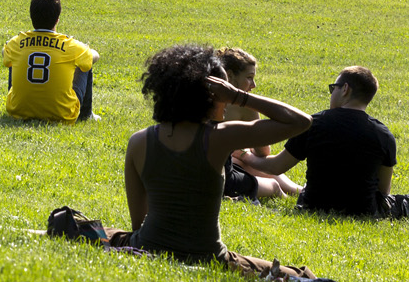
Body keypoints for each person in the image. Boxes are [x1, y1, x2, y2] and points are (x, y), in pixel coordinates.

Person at [114, 44, 316, 277]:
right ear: (210, 96)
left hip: (146, 245)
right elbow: (302, 122)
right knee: (300, 275)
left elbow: (137, 224)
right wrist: (239, 96)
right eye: (223, 92)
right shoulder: (218, 137)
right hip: (208, 256)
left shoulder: (139, 141)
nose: (227, 100)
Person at [240, 65, 408, 218]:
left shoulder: (314, 123)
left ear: (345, 89)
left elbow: (276, 167)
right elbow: (384, 191)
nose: (331, 93)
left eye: (333, 88)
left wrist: (244, 155)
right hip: (363, 210)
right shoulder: (384, 135)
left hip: (313, 205)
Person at [216, 47, 302, 201]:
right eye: (249, 77)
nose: (253, 84)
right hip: (221, 181)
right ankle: (293, 198)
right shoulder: (243, 106)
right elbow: (263, 152)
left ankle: (299, 190)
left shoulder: (201, 97)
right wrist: (245, 153)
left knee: (241, 160)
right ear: (229, 75)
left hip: (197, 169)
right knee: (273, 185)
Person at [2, 0, 99, 123]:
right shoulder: (70, 46)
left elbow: (4, 52)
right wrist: (86, 49)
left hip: (18, 112)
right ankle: (86, 115)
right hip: (61, 114)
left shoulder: (16, 43)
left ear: (31, 16)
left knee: (12, 57)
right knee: (85, 61)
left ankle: (20, 104)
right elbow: (95, 56)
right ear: (57, 19)